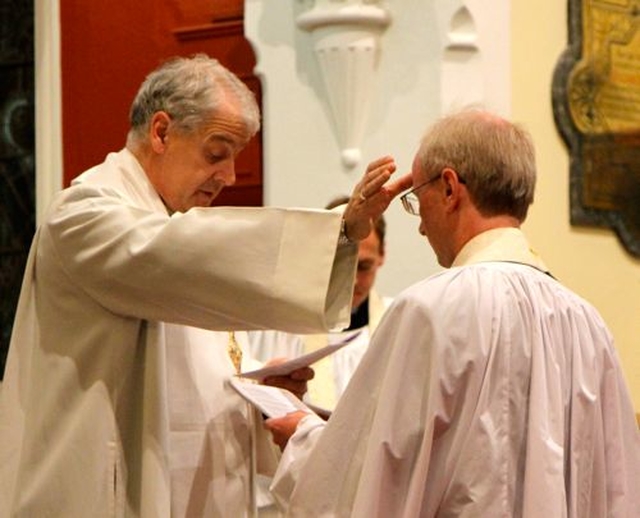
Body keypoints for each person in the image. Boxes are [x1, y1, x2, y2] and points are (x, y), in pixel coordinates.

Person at [0, 54, 412, 518]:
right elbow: (169, 256)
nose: (230, 176)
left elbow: (189, 380)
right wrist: (335, 233)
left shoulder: (169, 230)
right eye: (216, 154)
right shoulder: (85, 216)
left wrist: (258, 390)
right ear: (161, 132)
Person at [266, 108, 640, 517]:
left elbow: (369, 475)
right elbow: (617, 485)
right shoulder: (586, 321)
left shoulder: (429, 311)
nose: (422, 226)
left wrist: (301, 435)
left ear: (449, 189)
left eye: (416, 198)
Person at [248, 194, 392, 413]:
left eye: (363, 267)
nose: (352, 280)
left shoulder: (396, 323)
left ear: (382, 255)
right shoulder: (282, 326)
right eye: (342, 265)